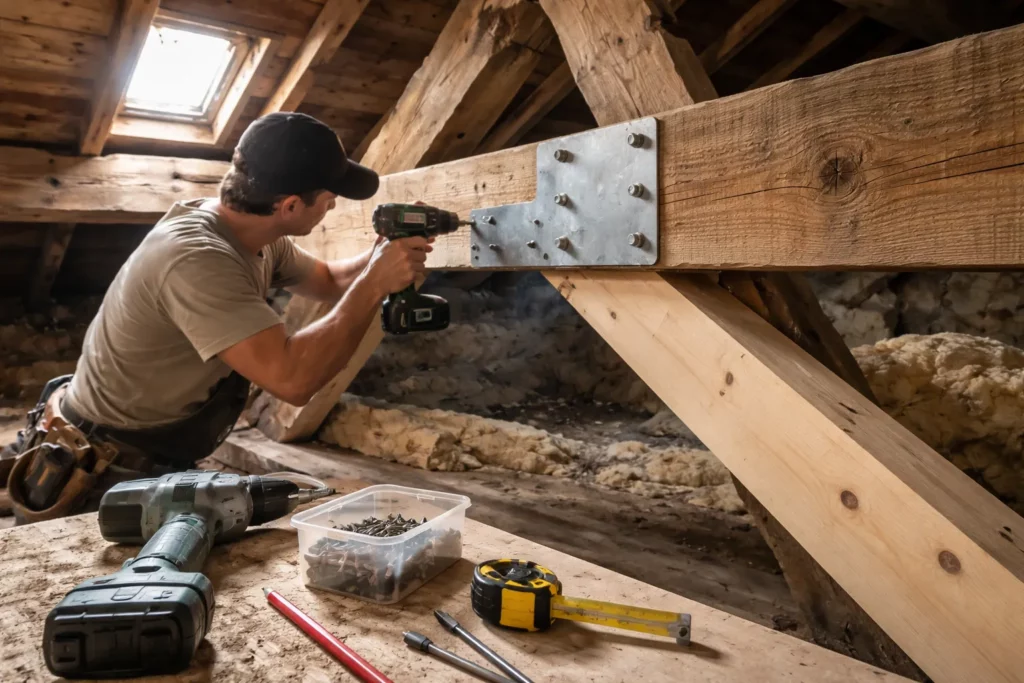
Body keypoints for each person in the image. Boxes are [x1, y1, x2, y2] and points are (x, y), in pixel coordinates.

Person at [1, 112, 431, 522]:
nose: (333, 205)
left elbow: (327, 280)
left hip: (150, 451)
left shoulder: (254, 233)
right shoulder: (198, 257)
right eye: (327, 197)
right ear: (292, 206)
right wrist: (376, 283)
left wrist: (383, 253)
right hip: (97, 472)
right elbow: (293, 380)